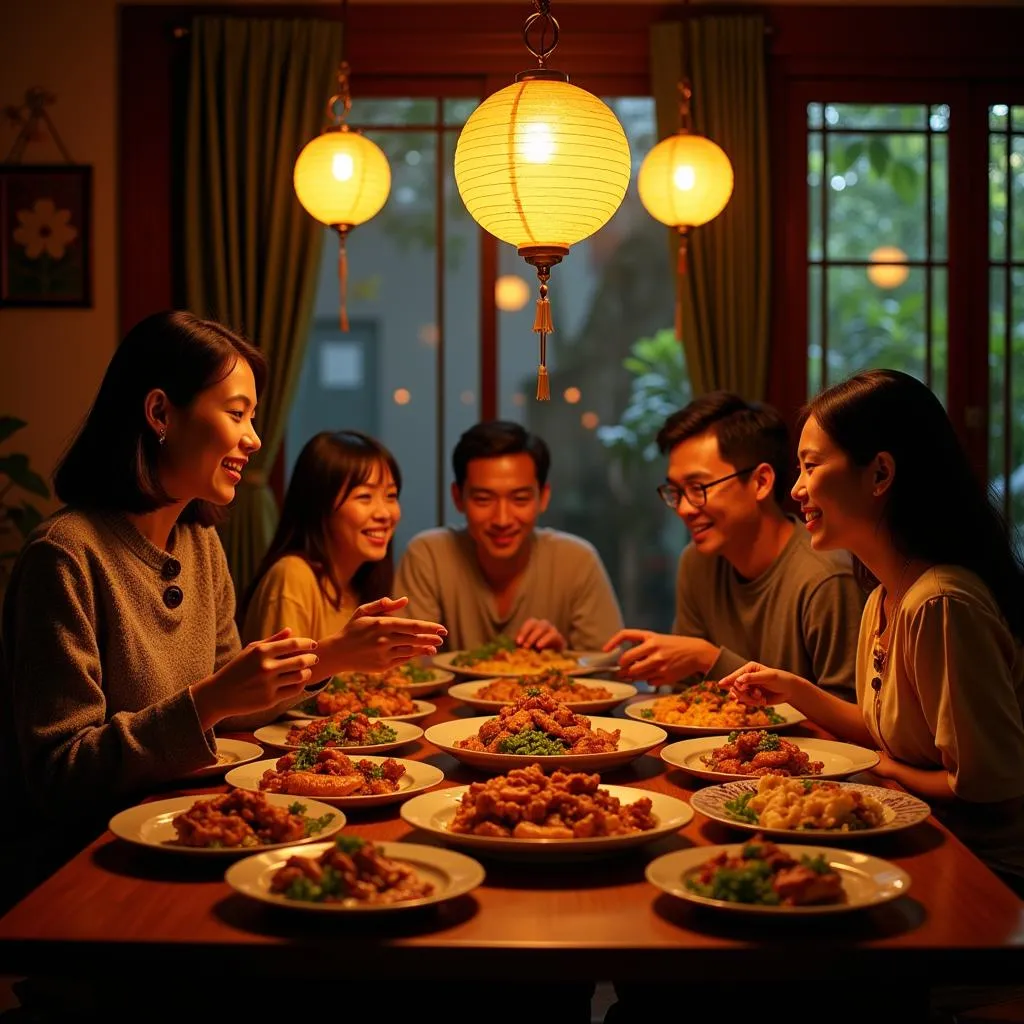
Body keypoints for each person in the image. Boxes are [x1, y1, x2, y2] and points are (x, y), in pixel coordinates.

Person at [0, 311, 445, 910]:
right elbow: (59, 773)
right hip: (99, 870)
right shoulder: (67, 556)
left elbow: (235, 705)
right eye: (237, 414)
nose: (255, 438)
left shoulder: (198, 542)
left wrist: (335, 654)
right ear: (160, 414)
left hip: (200, 836)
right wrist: (209, 702)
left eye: (253, 417)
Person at [722, 368, 1024, 893]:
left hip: (982, 871)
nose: (796, 490)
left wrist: (884, 768)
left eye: (811, 466)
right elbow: (893, 731)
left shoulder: (941, 600)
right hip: (920, 835)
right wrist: (794, 690)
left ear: (880, 473)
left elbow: (984, 786)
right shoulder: (885, 595)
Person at [603, 391, 864, 694]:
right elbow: (684, 697)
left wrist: (709, 659)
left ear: (761, 482)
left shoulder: (825, 578)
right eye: (676, 491)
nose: (685, 508)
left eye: (698, 487)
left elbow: (848, 728)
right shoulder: (697, 562)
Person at [394, 419, 623, 652]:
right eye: (483, 499)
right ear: (457, 497)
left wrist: (562, 658)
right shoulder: (429, 556)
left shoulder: (577, 561)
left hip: (548, 690)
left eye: (520, 499)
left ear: (543, 497)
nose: (502, 519)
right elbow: (407, 668)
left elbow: (611, 670)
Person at [236, 429, 405, 726]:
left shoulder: (360, 581)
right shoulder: (293, 576)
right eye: (365, 496)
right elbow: (266, 703)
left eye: (390, 496)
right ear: (319, 506)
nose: (385, 513)